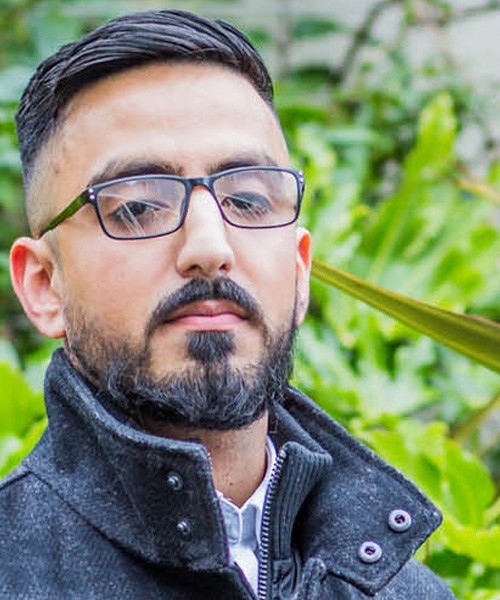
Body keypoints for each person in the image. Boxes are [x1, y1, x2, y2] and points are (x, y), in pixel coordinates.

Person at [0, 9, 454, 599]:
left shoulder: (406, 592)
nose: (209, 247)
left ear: (299, 269)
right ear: (43, 284)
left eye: (247, 197)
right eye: (138, 206)